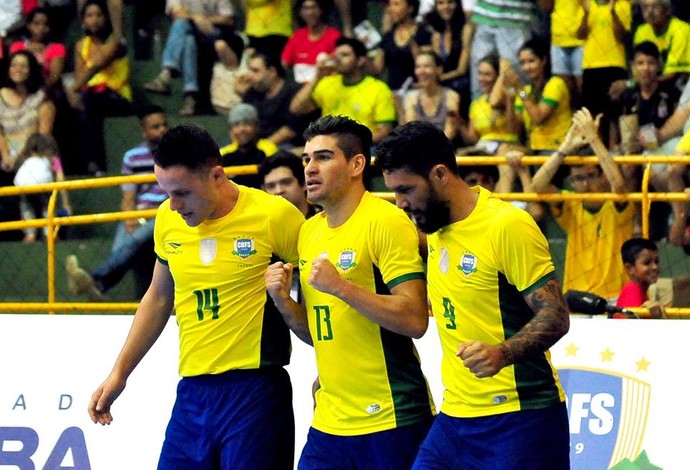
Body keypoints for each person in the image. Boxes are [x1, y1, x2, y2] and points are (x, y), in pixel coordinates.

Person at [87, 124, 304, 468]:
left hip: (256, 391)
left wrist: (331, 369)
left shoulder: (275, 216)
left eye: (182, 193)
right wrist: (119, 373)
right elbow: (158, 298)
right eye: (165, 193)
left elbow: (321, 298)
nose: (173, 205)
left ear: (216, 176)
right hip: (192, 393)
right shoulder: (167, 219)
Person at [375, 120, 570, 469]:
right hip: (455, 419)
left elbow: (556, 315)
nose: (400, 203)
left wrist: (502, 353)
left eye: (406, 189)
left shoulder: (507, 225)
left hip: (521, 417)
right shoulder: (434, 225)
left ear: (439, 174)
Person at [265, 115, 434, 468]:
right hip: (330, 421)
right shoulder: (309, 232)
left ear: (357, 164)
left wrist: (342, 287)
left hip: (391, 416)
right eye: (307, 159)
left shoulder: (385, 220)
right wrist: (283, 301)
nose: (310, 168)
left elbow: (415, 319)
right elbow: (317, 332)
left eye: (323, 157)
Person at [65, 105, 170, 301]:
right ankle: (97, 286)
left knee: (132, 243)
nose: (162, 130)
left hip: (166, 212)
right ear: (144, 130)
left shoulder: (177, 155)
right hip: (139, 212)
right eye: (155, 127)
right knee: (121, 250)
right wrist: (130, 218)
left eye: (165, 125)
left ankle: (93, 279)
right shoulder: (132, 156)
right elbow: (128, 195)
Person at [532, 107, 634, 300]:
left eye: (590, 176)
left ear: (602, 176)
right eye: (578, 178)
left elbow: (618, 183)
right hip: (576, 296)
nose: (585, 184)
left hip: (613, 297)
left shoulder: (617, 203)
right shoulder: (571, 203)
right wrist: (565, 147)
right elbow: (537, 185)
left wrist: (593, 138)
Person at [290, 37, 397, 145]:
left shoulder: (378, 88)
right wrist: (316, 78)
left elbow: (384, 131)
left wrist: (351, 144)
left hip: (363, 148)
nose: (337, 59)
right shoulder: (327, 83)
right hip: (327, 146)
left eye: (344, 55)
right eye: (336, 55)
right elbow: (296, 108)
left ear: (360, 61)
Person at [68, 0, 133, 175]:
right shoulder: (81, 45)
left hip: (118, 96)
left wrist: (73, 90)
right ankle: (75, 166)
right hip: (90, 96)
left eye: (99, 15)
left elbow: (96, 64)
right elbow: (80, 75)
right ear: (83, 20)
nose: (94, 19)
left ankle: (96, 163)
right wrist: (74, 94)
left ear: (106, 18)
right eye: (89, 15)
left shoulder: (117, 41)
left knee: (92, 101)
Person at [142, 0, 235, 116]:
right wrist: (195, 18)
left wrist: (207, 20)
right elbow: (176, 13)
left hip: (213, 34)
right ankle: (191, 97)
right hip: (188, 32)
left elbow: (228, 18)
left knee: (181, 25)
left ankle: (166, 74)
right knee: (187, 39)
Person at [13, 133, 70, 243]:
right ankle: (48, 233)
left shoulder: (24, 158)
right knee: (48, 205)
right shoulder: (53, 159)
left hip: (22, 184)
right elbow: (60, 177)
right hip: (42, 183)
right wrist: (65, 204)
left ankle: (30, 234)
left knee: (26, 206)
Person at [401, 50, 460, 142]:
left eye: (427, 66)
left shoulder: (451, 96)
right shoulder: (411, 97)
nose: (421, 71)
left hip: (445, 149)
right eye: (418, 67)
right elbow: (411, 131)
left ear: (438, 69)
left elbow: (450, 132)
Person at [280, 0, 341, 85]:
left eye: (314, 7)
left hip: (325, 87)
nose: (310, 12)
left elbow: (339, 66)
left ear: (321, 10)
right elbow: (284, 64)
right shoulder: (297, 36)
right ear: (300, 13)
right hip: (299, 90)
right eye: (306, 8)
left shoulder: (334, 36)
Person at [220, 102, 278, 188]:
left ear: (257, 127)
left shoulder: (268, 150)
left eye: (247, 123)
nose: (242, 129)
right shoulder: (223, 154)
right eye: (236, 125)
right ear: (231, 130)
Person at [258, 150, 317, 218]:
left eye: (286, 182)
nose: (279, 190)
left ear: (304, 183)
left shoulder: (326, 219)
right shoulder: (260, 226)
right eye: (271, 186)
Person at [617, 237, 665, 318]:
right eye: (647, 263)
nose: (655, 267)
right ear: (629, 268)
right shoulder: (633, 290)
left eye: (656, 261)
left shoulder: (641, 291)